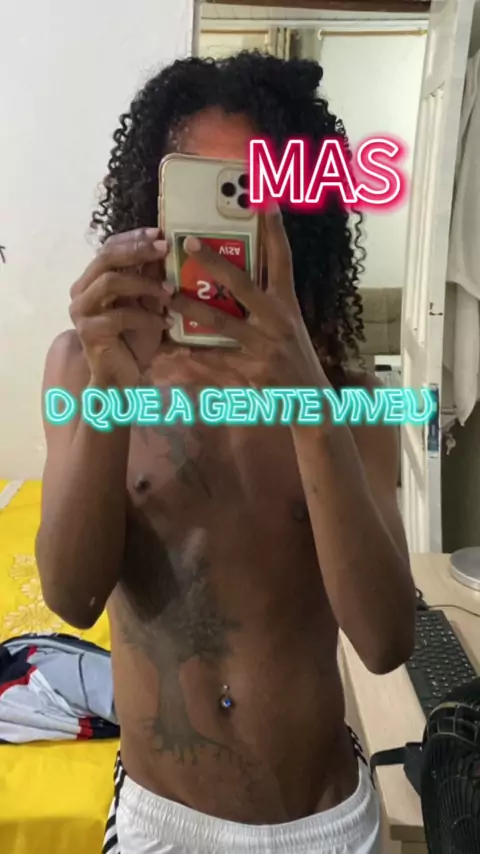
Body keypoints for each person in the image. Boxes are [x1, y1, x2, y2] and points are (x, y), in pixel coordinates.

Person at [36, 52, 416, 854]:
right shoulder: (84, 367)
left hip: (326, 822)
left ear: (295, 219)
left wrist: (308, 407)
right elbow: (71, 597)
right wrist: (110, 391)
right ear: (154, 207)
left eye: (246, 195)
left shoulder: (349, 396)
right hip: (162, 823)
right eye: (199, 191)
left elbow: (385, 642)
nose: (218, 234)